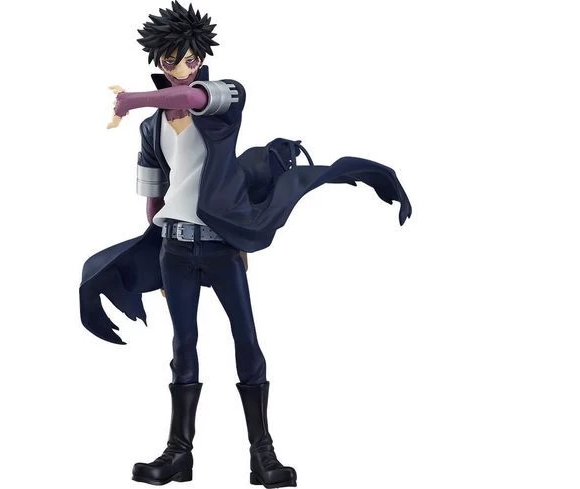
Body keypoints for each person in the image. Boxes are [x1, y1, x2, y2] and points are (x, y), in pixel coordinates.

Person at [80, 2, 411, 487]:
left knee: (246, 339)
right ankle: (179, 453)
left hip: (221, 247)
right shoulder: (152, 129)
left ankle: (263, 454)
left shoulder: (224, 98)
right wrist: (155, 253)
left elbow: (191, 96)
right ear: (160, 60)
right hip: (175, 248)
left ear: (200, 58)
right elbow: (154, 197)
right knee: (183, 344)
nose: (182, 66)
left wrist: (130, 99)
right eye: (172, 59)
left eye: (190, 58)